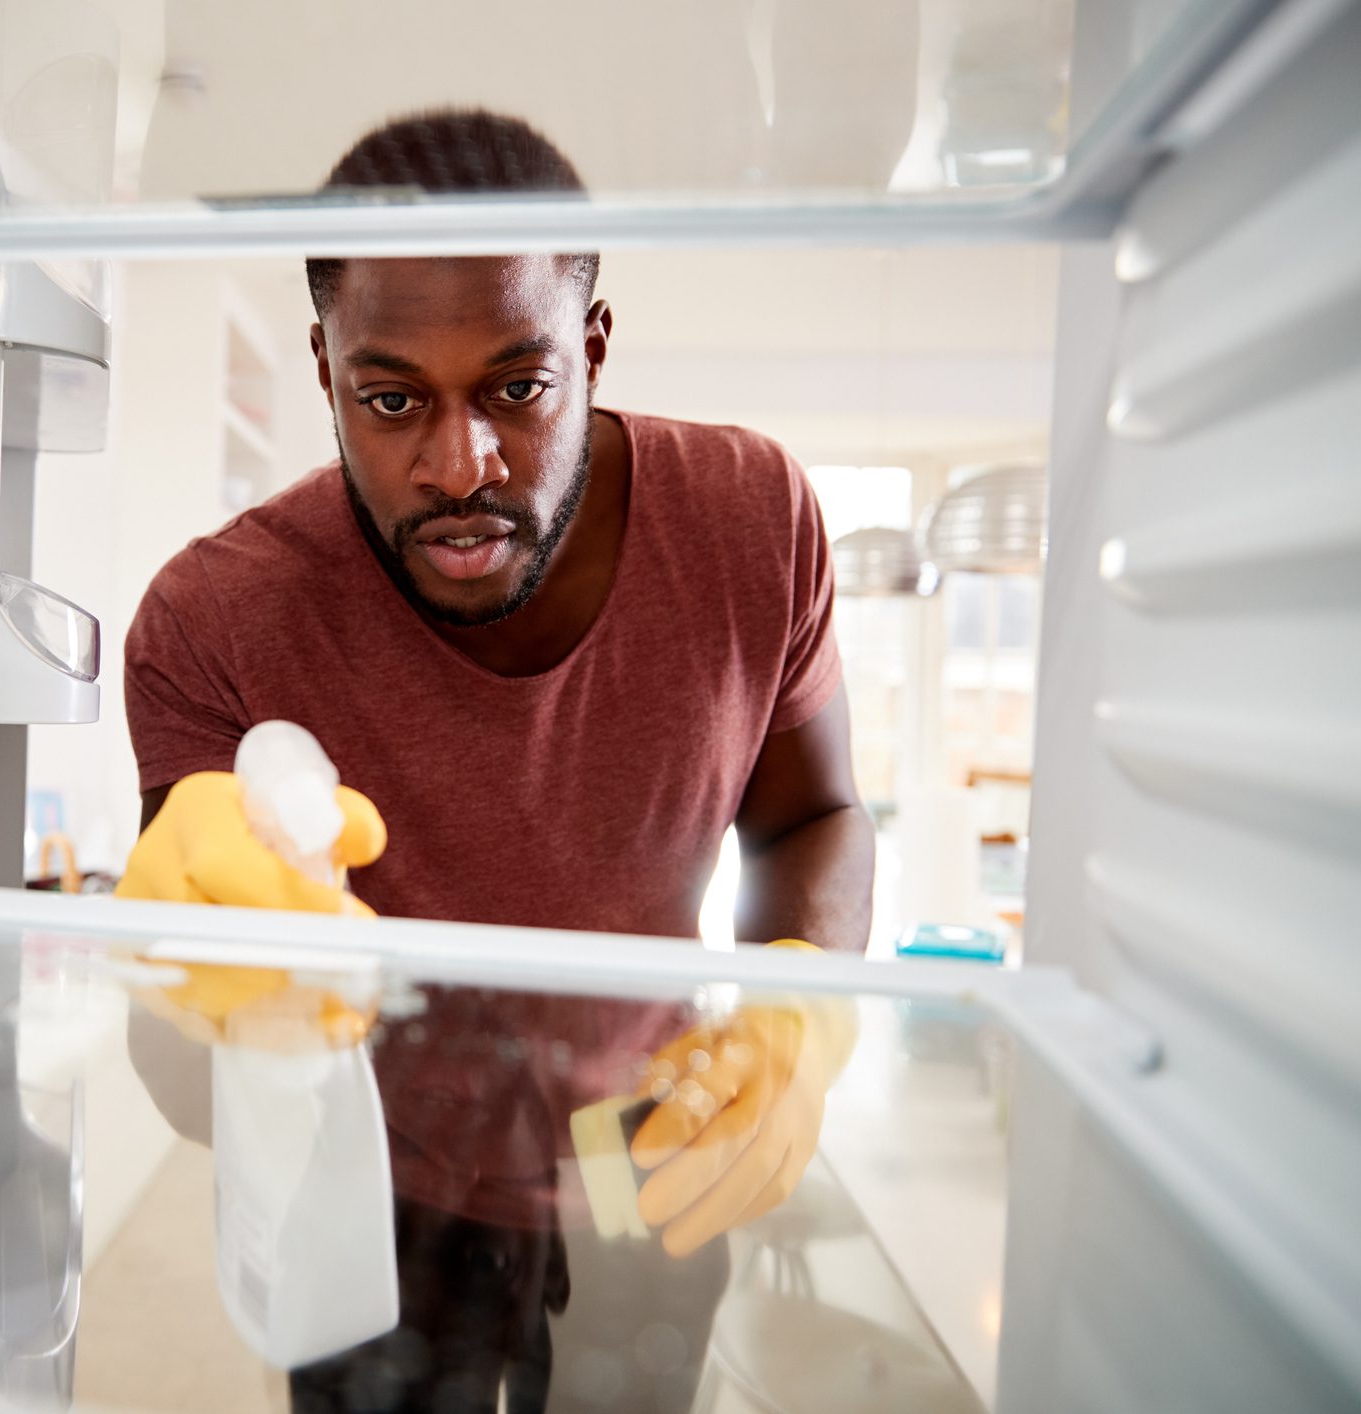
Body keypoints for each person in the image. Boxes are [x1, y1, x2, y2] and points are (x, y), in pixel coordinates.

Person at [114, 109, 871, 1413]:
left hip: (650, 1150)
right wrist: (199, 997)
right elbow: (189, 1044)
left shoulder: (755, 521)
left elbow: (816, 815)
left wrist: (800, 1005)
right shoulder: (210, 618)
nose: (458, 464)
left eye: (517, 388)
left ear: (590, 345)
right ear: (323, 368)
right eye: (391, 397)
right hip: (381, 1185)